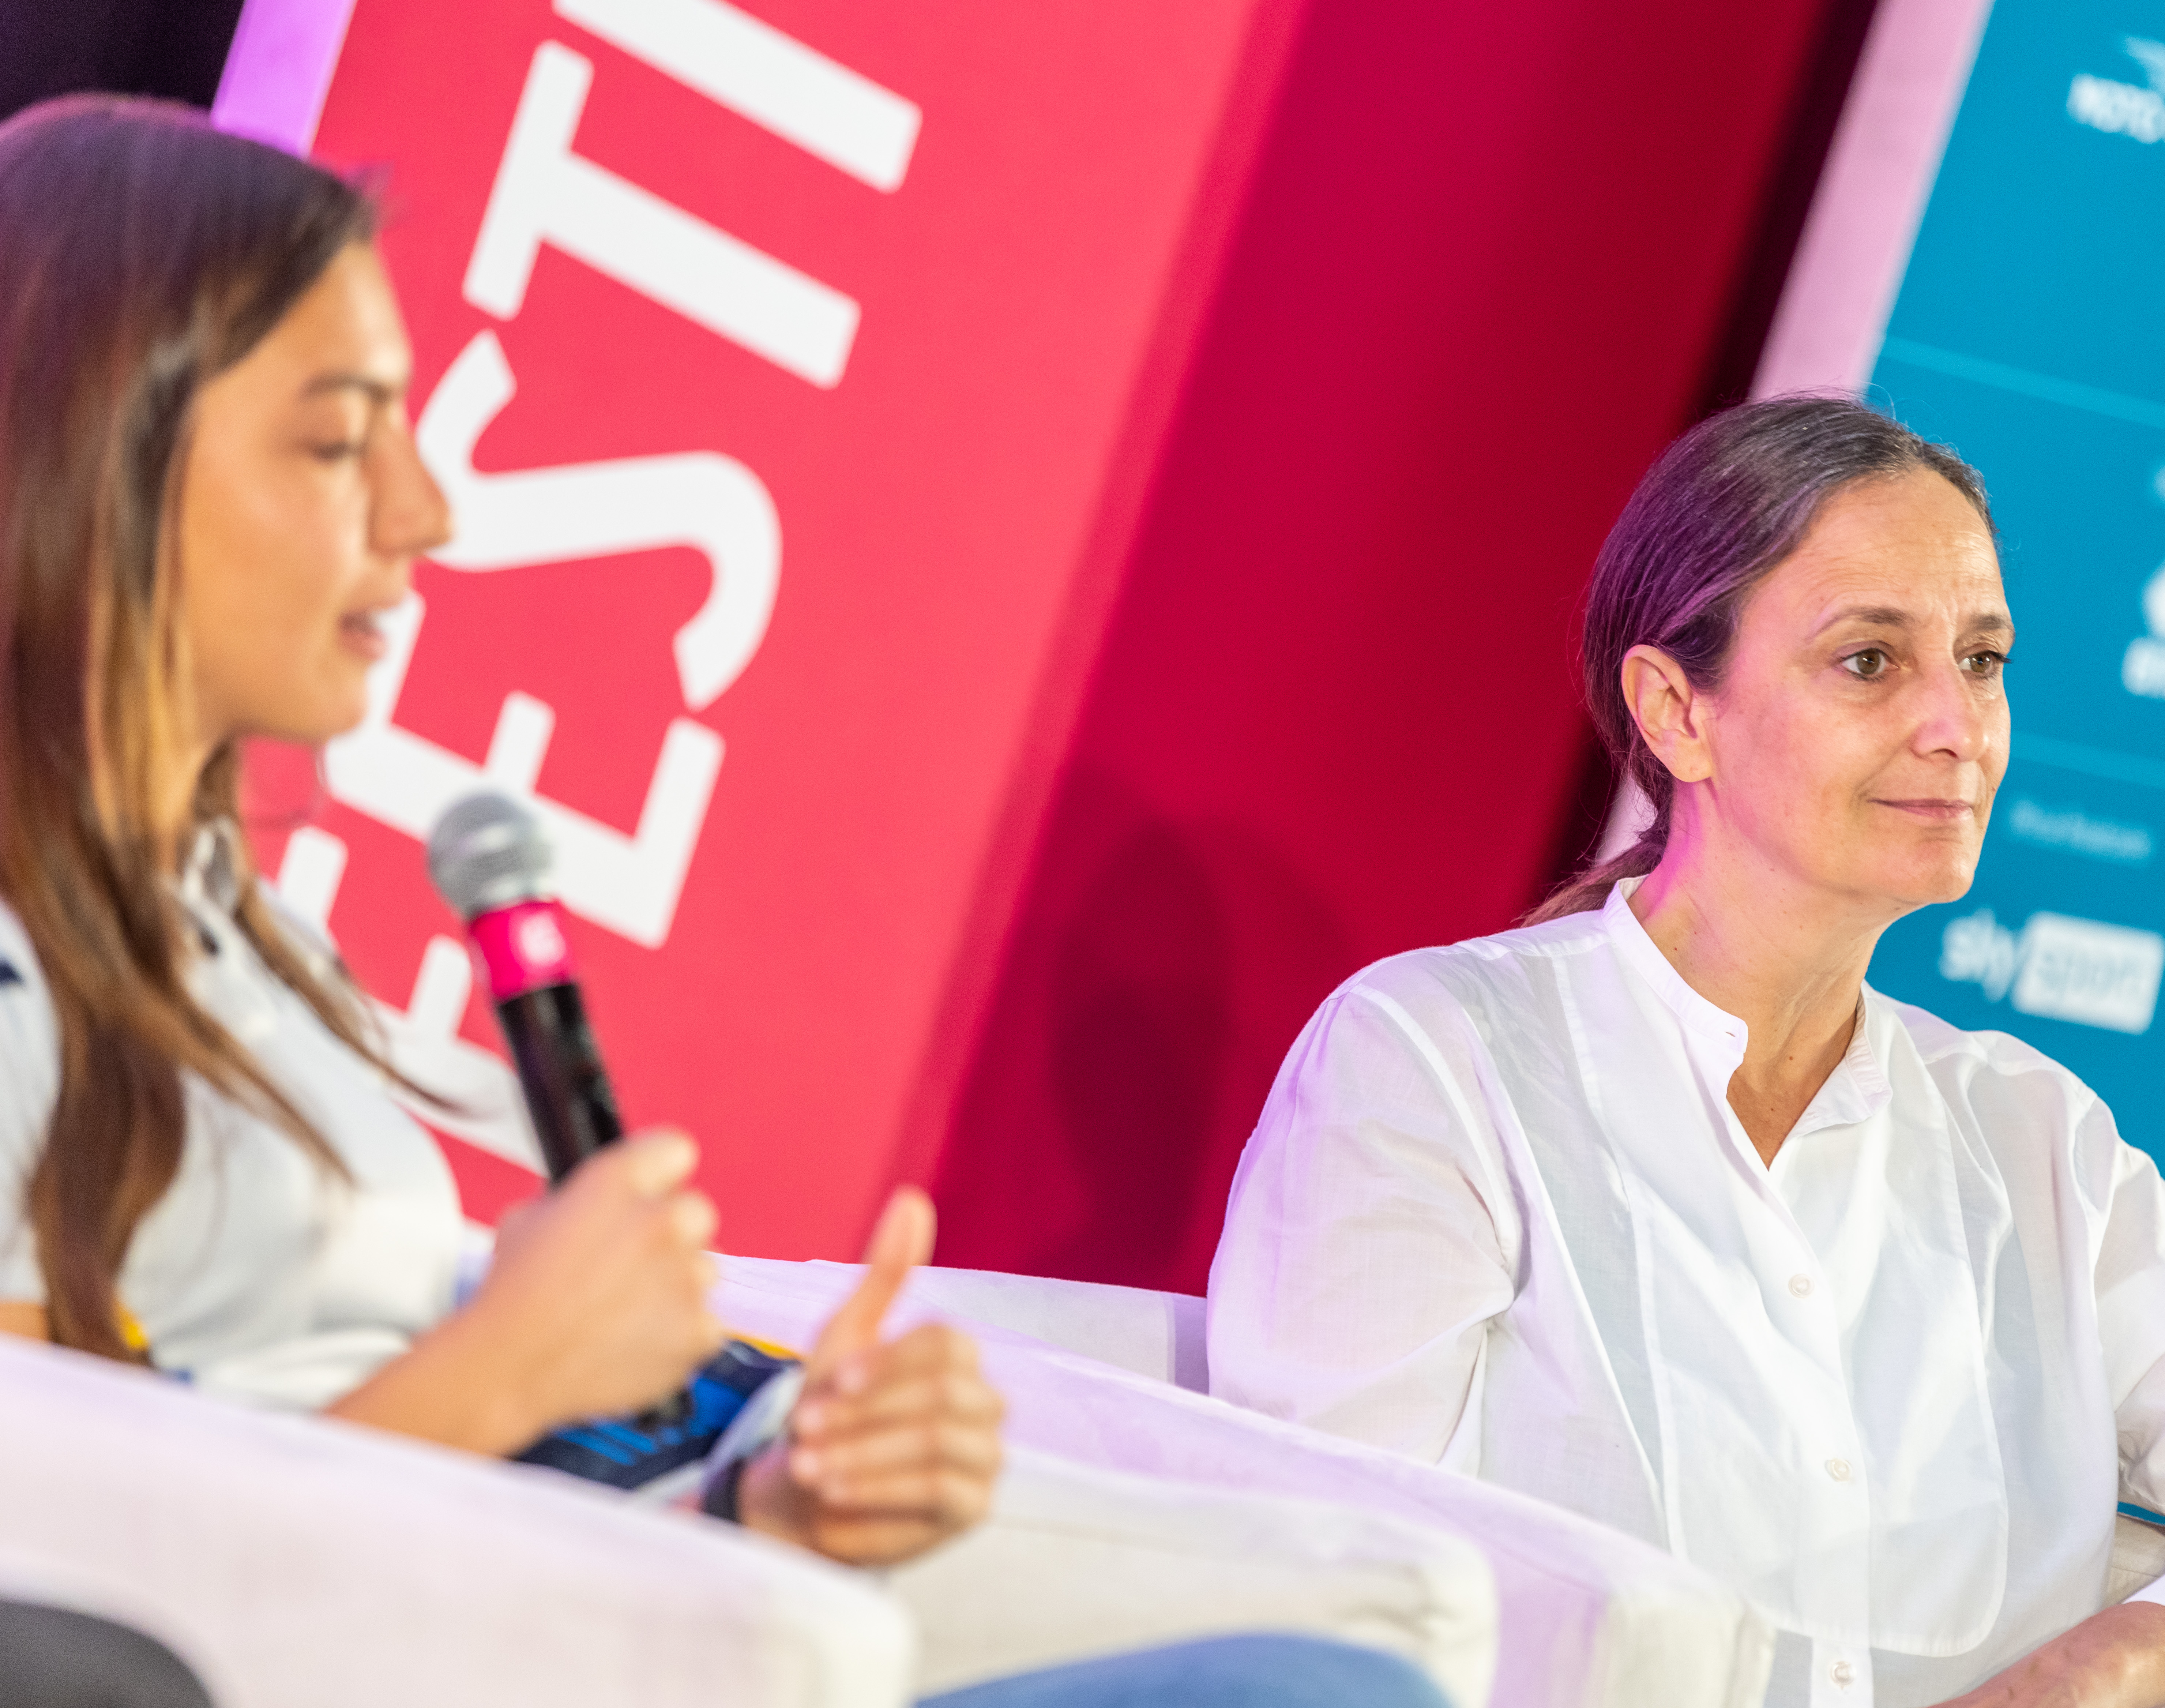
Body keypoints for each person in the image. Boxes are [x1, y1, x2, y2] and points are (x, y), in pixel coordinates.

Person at [0, 96, 1441, 1708]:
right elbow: (71, 1591)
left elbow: (384, 1476)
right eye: (339, 443)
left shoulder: (227, 939)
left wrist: (760, 1497)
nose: (424, 513)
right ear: (94, 451)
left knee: (1325, 1682)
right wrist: (509, 1364)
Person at [1205, 398, 2165, 1707]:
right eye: (1869, 663)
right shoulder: (1433, 1063)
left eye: (1981, 659)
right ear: (1677, 711)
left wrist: (2115, 1663)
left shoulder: (2031, 1134)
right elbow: (1324, 1604)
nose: (1955, 726)